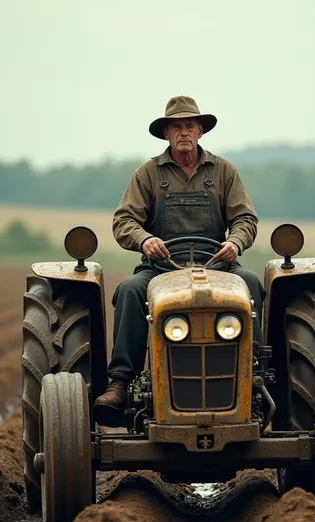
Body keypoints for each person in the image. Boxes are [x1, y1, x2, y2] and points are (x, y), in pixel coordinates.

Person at [94, 96, 265, 424]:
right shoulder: (148, 173)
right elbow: (123, 222)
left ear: (200, 131)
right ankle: (121, 381)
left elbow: (246, 219)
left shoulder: (224, 171)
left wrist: (235, 242)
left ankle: (255, 376)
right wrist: (145, 239)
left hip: (216, 265)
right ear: (166, 134)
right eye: (176, 127)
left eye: (190, 126)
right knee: (130, 289)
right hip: (160, 268)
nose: (183, 132)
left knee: (251, 283)